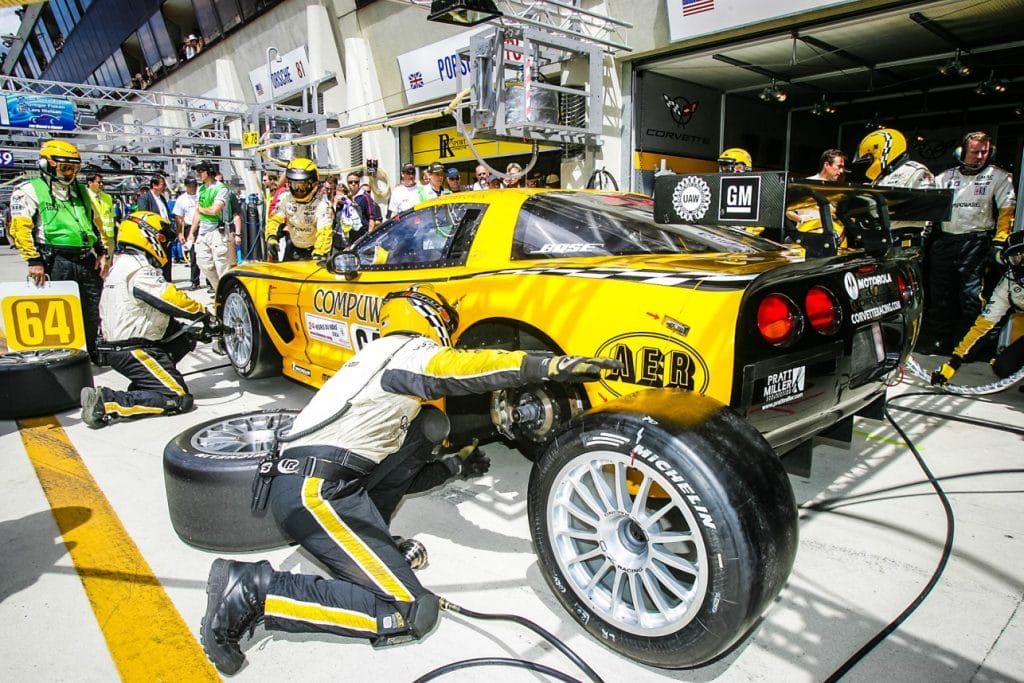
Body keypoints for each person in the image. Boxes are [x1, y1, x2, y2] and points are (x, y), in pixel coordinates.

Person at [199, 285, 622, 675]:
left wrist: (451, 468)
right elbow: (468, 369)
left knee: (429, 424)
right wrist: (547, 366)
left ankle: (372, 553)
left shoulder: (371, 366)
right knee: (407, 611)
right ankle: (257, 590)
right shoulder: (405, 351)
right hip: (314, 492)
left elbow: (397, 476)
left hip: (327, 485)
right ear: (429, 318)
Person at [80, 212, 212, 428]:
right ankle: (108, 401)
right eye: (161, 238)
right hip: (133, 350)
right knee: (177, 398)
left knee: (185, 337)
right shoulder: (139, 270)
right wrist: (203, 314)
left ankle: (149, 383)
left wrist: (194, 330)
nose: (165, 244)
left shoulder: (123, 265)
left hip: (123, 346)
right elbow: (170, 299)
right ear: (145, 235)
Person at [9, 140, 111, 362]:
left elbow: (94, 224)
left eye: (74, 168)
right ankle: (63, 356)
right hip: (55, 260)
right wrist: (33, 260)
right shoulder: (28, 190)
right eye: (65, 168)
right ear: (48, 165)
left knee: (92, 310)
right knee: (58, 313)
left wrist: (102, 252)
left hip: (86, 259)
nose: (70, 173)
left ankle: (92, 350)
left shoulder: (82, 191)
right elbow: (21, 228)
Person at [924, 131, 1015, 354]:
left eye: (984, 152)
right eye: (975, 152)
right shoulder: (944, 177)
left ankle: (967, 346)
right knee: (941, 295)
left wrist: (1000, 240)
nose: (980, 156)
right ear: (961, 153)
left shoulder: (1000, 176)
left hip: (977, 242)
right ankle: (939, 341)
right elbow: (928, 209)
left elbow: (1007, 210)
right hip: (946, 242)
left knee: (971, 296)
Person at [931, 230, 1024, 389]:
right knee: (1004, 368)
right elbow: (982, 326)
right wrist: (953, 364)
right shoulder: (1008, 285)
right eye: (1015, 258)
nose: (1021, 263)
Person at [264, 157, 334, 261]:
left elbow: (324, 232)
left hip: (315, 250)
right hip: (293, 246)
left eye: (302, 186)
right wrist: (271, 238)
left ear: (314, 184)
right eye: (294, 185)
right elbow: (274, 220)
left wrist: (320, 253)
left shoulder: (322, 205)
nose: (298, 191)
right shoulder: (285, 198)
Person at [188, 161, 230, 291]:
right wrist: (191, 232)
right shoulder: (201, 189)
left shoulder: (221, 188)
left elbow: (214, 210)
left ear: (209, 171)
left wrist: (200, 209)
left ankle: (225, 292)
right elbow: (197, 213)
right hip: (203, 231)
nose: (198, 174)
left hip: (218, 231)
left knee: (222, 265)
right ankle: (219, 290)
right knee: (203, 263)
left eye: (201, 171)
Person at [852, 128, 933, 189]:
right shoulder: (882, 178)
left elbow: (925, 204)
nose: (870, 164)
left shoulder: (916, 171)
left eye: (870, 159)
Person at [137, 175, 173, 280]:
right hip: (154, 235)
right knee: (157, 260)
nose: (165, 187)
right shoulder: (145, 199)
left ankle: (167, 281)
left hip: (165, 234)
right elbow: (144, 218)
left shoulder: (161, 198)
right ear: (154, 185)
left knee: (167, 259)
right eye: (162, 184)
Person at [173, 177, 201, 289]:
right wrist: (179, 233)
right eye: (190, 186)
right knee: (193, 255)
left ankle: (210, 283)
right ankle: (195, 281)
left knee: (206, 254)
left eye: (195, 185)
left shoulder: (201, 195)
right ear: (186, 186)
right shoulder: (181, 199)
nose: (193, 188)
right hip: (189, 227)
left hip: (203, 225)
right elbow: (179, 217)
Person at [85, 174, 116, 247]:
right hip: (94, 237)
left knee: (109, 257)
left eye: (102, 182)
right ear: (90, 183)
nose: (101, 184)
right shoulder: (86, 197)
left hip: (109, 237)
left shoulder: (108, 197)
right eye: (98, 182)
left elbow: (112, 217)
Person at [348, 172, 380, 238]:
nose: (353, 184)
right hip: (350, 235)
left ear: (359, 183)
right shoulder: (346, 197)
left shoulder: (365, 196)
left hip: (362, 234)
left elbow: (372, 217)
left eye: (356, 182)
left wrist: (369, 235)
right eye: (350, 182)